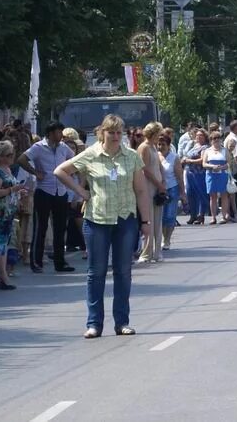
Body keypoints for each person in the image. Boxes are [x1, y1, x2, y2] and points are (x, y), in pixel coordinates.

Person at [54, 114, 154, 338]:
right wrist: (81, 192)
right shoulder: (91, 154)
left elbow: (140, 190)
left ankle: (122, 322)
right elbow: (60, 171)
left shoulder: (131, 157)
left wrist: (146, 221)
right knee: (96, 272)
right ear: (102, 133)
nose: (116, 136)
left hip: (125, 219)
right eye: (111, 132)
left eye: (119, 132)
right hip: (97, 220)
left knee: (123, 272)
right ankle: (94, 324)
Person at [18, 122, 75, 274]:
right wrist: (35, 171)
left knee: (60, 228)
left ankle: (60, 262)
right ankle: (36, 262)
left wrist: (69, 172)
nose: (60, 135)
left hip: (61, 191)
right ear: (50, 133)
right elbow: (22, 159)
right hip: (44, 190)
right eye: (58, 132)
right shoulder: (38, 147)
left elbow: (75, 160)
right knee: (40, 227)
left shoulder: (63, 147)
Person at [0, 141, 27, 290]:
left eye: (12, 153)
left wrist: (18, 192)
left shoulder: (8, 169)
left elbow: (9, 189)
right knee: (1, 243)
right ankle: (2, 275)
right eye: (8, 155)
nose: (12, 157)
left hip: (8, 210)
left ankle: (2, 275)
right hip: (0, 212)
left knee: (4, 242)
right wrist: (13, 189)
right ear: (0, 157)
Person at [136, 122, 168, 262]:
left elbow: (159, 165)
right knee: (149, 219)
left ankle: (157, 252)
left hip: (157, 185)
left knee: (158, 219)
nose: (160, 136)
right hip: (148, 186)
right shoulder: (144, 147)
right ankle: (146, 253)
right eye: (158, 133)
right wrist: (159, 184)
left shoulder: (154, 147)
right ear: (153, 134)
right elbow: (145, 170)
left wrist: (163, 181)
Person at [157, 135, 183, 251]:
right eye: (159, 144)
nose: (160, 146)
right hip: (159, 189)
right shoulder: (156, 156)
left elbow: (179, 177)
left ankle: (168, 239)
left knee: (170, 216)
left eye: (163, 144)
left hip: (172, 188)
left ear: (168, 146)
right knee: (162, 216)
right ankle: (163, 237)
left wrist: (183, 192)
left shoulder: (174, 158)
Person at [200, 131, 231, 226]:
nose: (216, 140)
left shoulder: (225, 150)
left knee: (224, 195)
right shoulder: (207, 151)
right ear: (211, 141)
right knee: (212, 196)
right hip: (211, 175)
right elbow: (204, 163)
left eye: (218, 138)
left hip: (222, 174)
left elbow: (229, 163)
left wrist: (221, 167)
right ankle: (213, 217)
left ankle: (223, 216)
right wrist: (212, 166)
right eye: (214, 138)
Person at [182, 129, 209, 225]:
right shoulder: (193, 146)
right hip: (190, 173)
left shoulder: (205, 148)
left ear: (205, 137)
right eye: (197, 135)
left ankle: (200, 215)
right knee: (190, 193)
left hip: (199, 173)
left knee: (201, 194)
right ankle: (192, 215)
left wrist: (189, 161)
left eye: (201, 135)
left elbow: (202, 160)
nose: (198, 137)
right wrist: (184, 160)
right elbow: (186, 155)